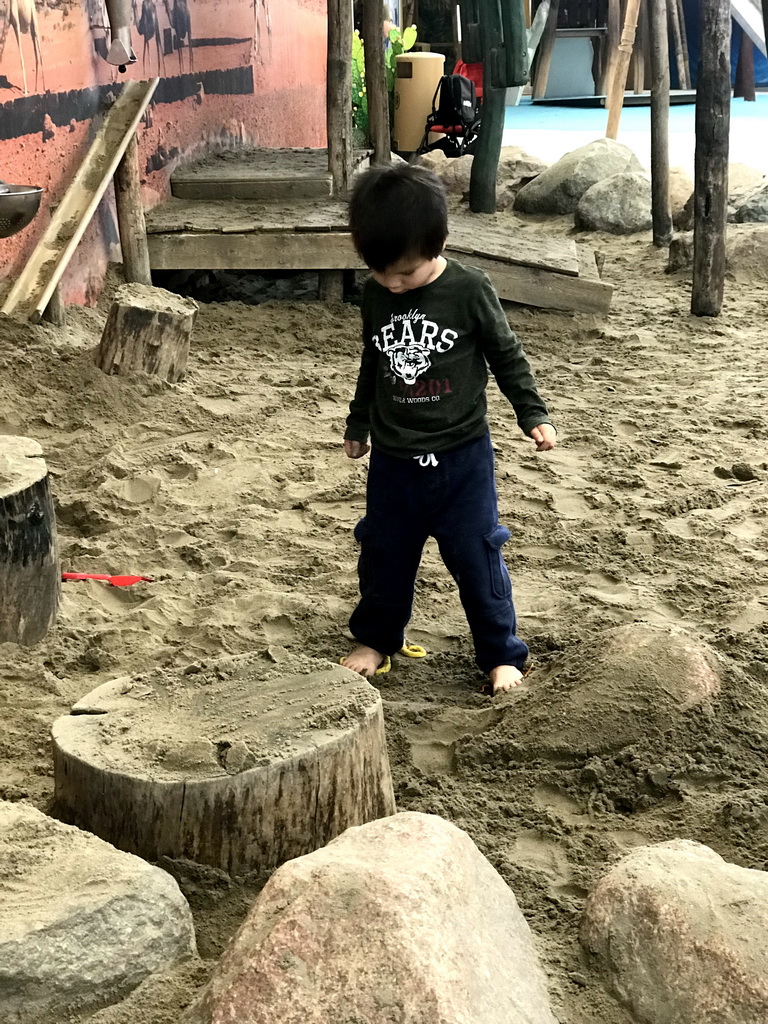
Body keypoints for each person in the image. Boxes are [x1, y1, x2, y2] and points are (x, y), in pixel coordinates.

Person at [342, 163, 557, 696]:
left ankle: (501, 655)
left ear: (438, 246)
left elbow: (507, 356)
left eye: (405, 274)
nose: (392, 284)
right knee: (384, 554)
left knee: (478, 557)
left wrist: (532, 413)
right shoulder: (376, 294)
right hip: (394, 460)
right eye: (380, 272)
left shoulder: (469, 289)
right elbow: (373, 363)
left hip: (463, 460)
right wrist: (359, 420)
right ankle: (376, 640)